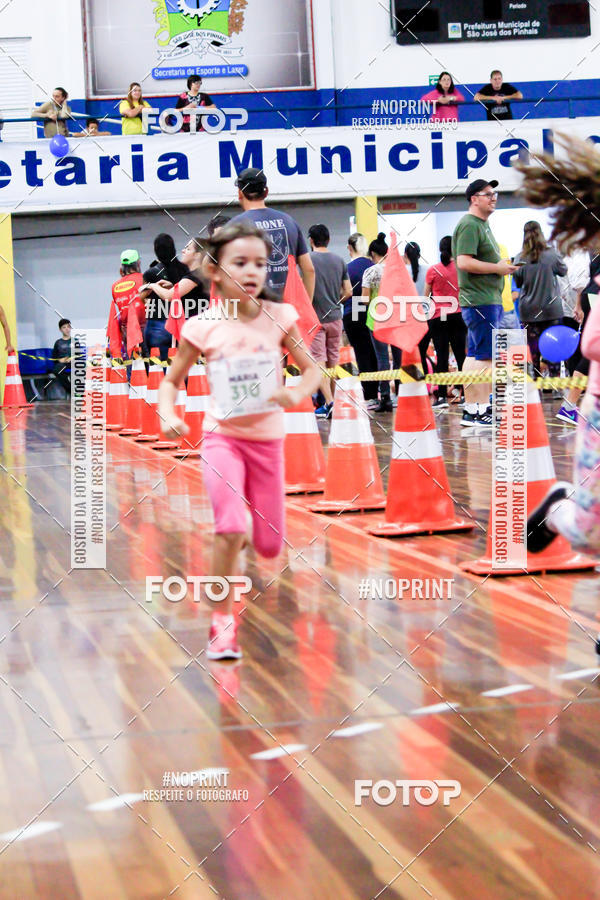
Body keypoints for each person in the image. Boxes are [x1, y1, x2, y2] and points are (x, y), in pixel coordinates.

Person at [157, 221, 321, 660]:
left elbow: (313, 371)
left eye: (260, 264)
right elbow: (170, 382)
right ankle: (221, 623)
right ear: (214, 270)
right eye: (240, 263)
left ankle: (247, 524)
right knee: (228, 529)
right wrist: (168, 414)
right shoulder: (203, 326)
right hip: (221, 440)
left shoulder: (280, 317)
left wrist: (295, 393)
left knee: (269, 546)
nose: (252, 272)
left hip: (267, 445)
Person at [520, 134, 600, 563]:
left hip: (539, 316)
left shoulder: (532, 258)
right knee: (589, 536)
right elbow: (592, 341)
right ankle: (557, 508)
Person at [452, 179, 517, 427]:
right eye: (487, 194)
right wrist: (497, 268)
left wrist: (501, 268)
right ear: (474, 199)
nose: (493, 197)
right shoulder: (469, 224)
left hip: (487, 300)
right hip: (480, 300)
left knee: (476, 354)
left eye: (494, 193)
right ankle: (477, 409)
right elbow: (463, 262)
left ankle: (475, 408)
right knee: (485, 357)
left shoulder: (482, 225)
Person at [228, 168, 315, 300]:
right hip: (288, 308)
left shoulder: (234, 226)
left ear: (240, 193)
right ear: (266, 192)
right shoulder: (289, 221)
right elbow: (309, 270)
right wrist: (305, 306)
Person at [307, 224, 352, 418]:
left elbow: (303, 289)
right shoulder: (339, 260)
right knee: (333, 361)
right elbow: (348, 291)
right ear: (329, 240)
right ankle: (331, 402)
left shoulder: (307, 260)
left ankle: (329, 402)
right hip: (336, 318)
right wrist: (335, 302)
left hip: (315, 319)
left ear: (311, 240)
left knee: (319, 360)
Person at [513, 221, 567, 378]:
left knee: (534, 353)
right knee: (553, 350)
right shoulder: (552, 254)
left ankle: (536, 385)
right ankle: (554, 385)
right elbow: (563, 271)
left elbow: (518, 282)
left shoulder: (520, 258)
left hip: (529, 311)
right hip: (551, 310)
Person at [424, 236, 467, 409]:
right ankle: (465, 395)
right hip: (458, 314)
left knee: (441, 357)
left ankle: (441, 397)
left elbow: (426, 296)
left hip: (438, 317)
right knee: (461, 356)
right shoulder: (461, 268)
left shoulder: (433, 270)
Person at [556, 252, 598, 425]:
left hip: (590, 295)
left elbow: (585, 279)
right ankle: (569, 406)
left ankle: (573, 405)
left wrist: (578, 304)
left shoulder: (593, 249)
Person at [362, 233, 402, 413]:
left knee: (382, 358)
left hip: (377, 319)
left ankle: (385, 397)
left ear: (372, 253)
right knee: (398, 357)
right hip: (397, 317)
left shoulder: (370, 272)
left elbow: (364, 300)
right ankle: (401, 394)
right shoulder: (397, 270)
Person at [343, 233, 378, 407]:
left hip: (354, 308)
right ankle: (380, 391)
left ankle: (369, 394)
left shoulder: (347, 268)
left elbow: (343, 293)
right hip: (373, 310)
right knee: (375, 352)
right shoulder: (373, 266)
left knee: (361, 353)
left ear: (349, 247)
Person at [142, 233, 190, 360]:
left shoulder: (151, 273)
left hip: (158, 321)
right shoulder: (185, 270)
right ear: (173, 248)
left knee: (159, 365)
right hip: (181, 320)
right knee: (183, 365)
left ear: (156, 250)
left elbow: (142, 297)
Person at [146, 236, 209, 323]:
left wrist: (152, 285)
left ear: (197, 255)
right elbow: (192, 295)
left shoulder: (195, 275)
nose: (183, 251)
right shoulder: (198, 274)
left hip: (197, 324)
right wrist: (172, 287)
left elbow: (169, 296)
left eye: (188, 249)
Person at [111, 250, 146, 358]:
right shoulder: (144, 279)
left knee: (133, 364)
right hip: (146, 329)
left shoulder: (115, 286)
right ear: (138, 263)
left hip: (128, 332)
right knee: (152, 364)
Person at [51, 319, 72, 397]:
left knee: (82, 368)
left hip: (73, 363)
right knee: (57, 370)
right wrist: (60, 360)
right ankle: (71, 390)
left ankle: (82, 391)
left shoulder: (75, 341)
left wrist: (72, 358)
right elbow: (54, 357)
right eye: (64, 327)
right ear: (60, 330)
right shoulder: (58, 342)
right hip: (62, 364)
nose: (67, 329)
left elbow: (79, 355)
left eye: (68, 327)